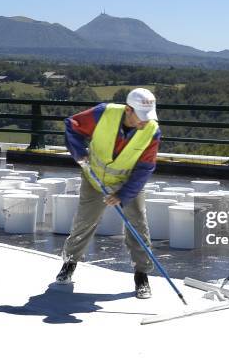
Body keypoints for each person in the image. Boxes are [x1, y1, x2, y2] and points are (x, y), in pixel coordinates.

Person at [55, 88, 161, 299]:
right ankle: (70, 262)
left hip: (129, 181)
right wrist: (79, 153)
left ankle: (142, 275)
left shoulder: (152, 131)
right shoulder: (104, 113)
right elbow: (72, 125)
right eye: (141, 117)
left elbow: (145, 168)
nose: (144, 122)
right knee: (85, 221)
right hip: (95, 178)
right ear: (128, 110)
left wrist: (124, 195)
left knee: (138, 225)